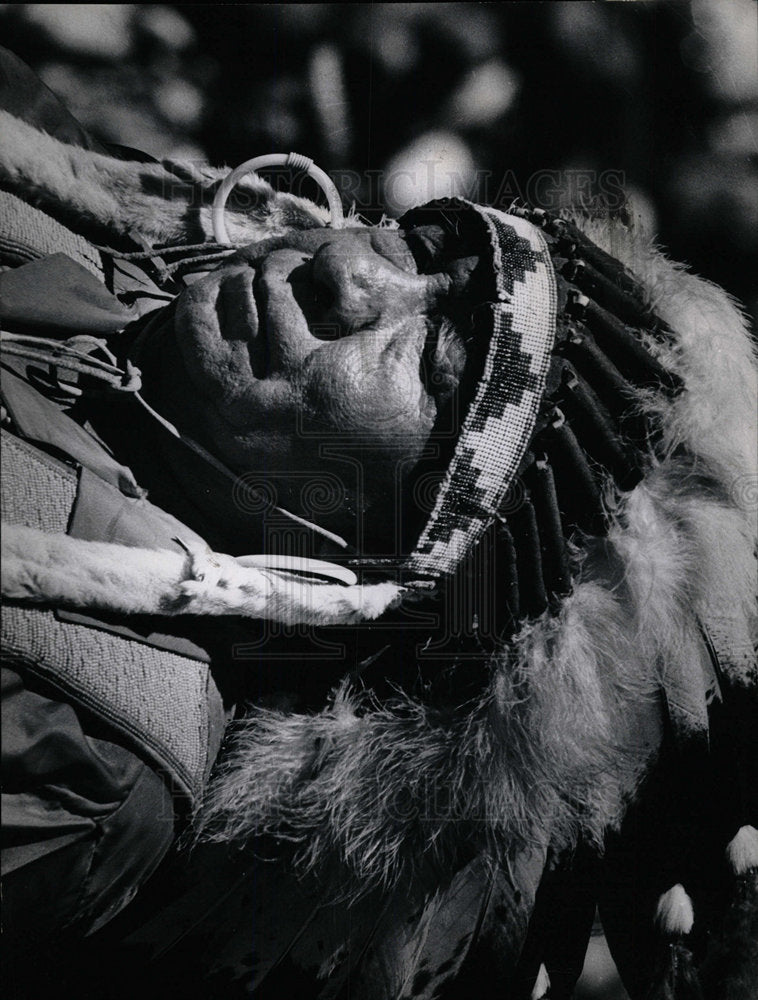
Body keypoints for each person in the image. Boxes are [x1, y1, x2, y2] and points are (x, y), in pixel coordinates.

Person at [1, 46, 756, 999]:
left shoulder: (87, 739)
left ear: (375, 565)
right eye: (419, 245)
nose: (348, 274)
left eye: (437, 357)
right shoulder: (74, 180)